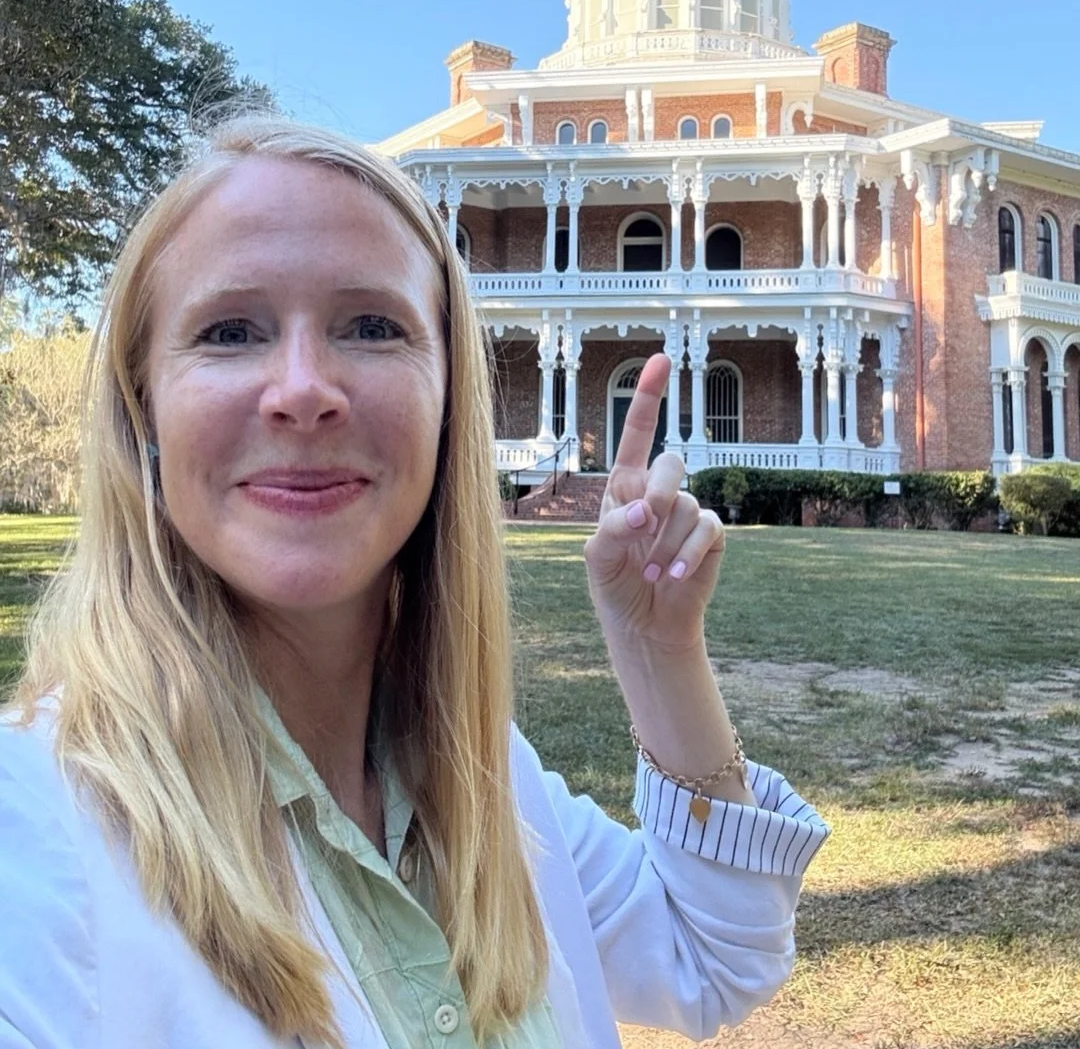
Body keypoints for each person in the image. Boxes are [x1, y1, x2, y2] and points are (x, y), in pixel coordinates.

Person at [0, 115, 828, 1049]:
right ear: (142, 408)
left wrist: (659, 652)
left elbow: (715, 959)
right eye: (231, 331)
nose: (304, 387)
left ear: (448, 401)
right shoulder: (34, 832)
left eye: (371, 326)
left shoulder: (482, 774)